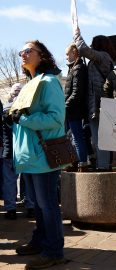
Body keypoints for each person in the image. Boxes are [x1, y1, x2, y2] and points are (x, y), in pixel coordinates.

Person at [12, 40, 66, 269]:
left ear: (41, 55)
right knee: (40, 205)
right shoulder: (30, 83)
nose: (22, 55)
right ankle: (40, 241)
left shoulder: (49, 82)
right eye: (21, 52)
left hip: (43, 155)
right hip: (31, 157)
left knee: (48, 205)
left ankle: (53, 251)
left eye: (28, 51)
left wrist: (22, 118)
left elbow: (55, 118)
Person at [73, 27, 116, 171]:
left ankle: (103, 167)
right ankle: (103, 164)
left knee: (100, 138)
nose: (91, 46)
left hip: (99, 103)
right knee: (98, 137)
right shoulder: (106, 58)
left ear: (98, 45)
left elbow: (83, 49)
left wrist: (77, 34)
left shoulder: (103, 56)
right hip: (98, 102)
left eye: (93, 43)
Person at [2, 83, 35, 220]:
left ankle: (11, 209)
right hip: (24, 151)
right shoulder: (26, 110)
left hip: (9, 151)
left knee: (9, 181)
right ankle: (31, 207)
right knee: (28, 180)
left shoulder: (4, 110)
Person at [64, 43, 88, 172]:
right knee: (73, 137)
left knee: (77, 137)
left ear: (74, 53)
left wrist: (64, 106)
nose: (66, 56)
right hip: (72, 109)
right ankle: (77, 162)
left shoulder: (78, 68)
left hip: (75, 109)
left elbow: (76, 92)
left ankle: (82, 163)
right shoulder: (74, 68)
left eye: (68, 54)